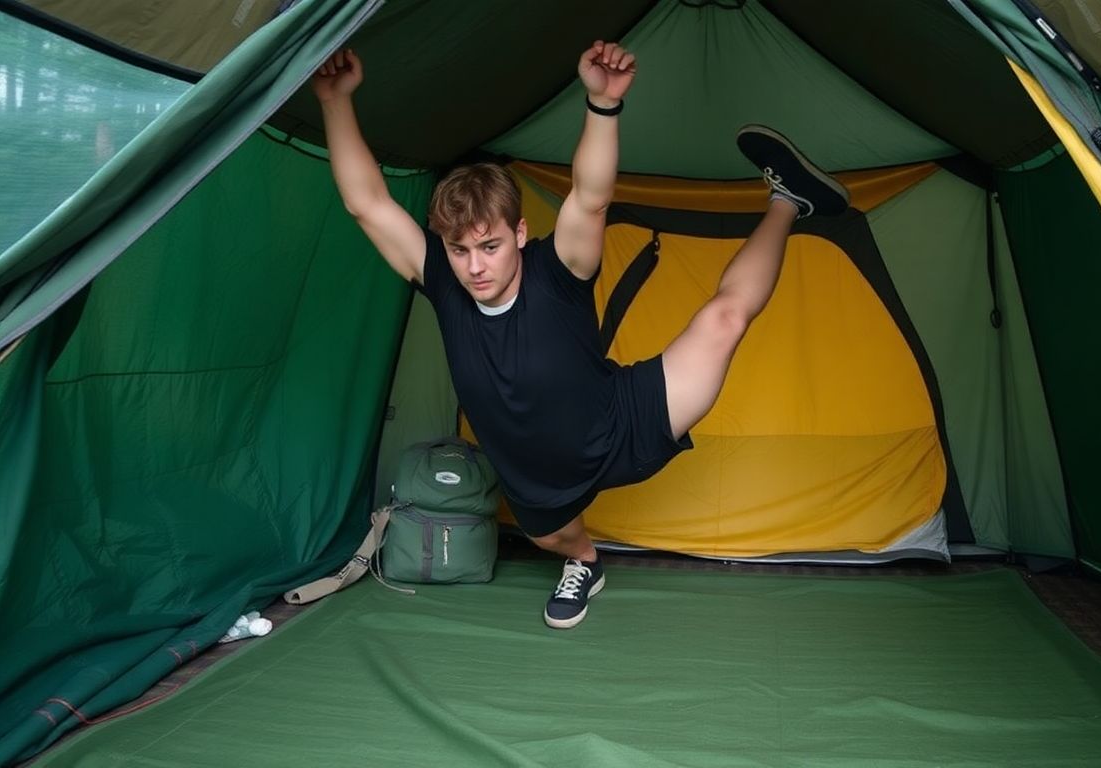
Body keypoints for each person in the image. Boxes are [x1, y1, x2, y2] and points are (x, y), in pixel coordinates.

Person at [311, 42, 849, 629]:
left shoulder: (557, 268)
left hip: (624, 416)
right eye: (460, 250)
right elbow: (367, 203)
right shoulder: (443, 282)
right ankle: (586, 563)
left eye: (489, 246)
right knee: (555, 540)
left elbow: (591, 197)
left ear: (519, 232)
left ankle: (788, 202)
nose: (475, 266)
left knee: (723, 320)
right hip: (537, 475)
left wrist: (602, 105)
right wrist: (336, 102)